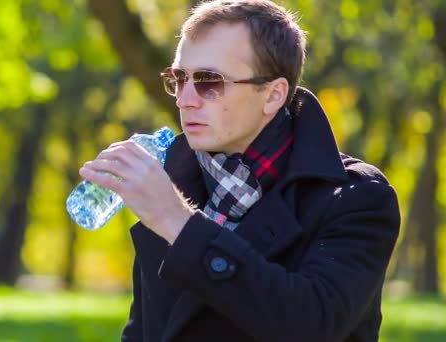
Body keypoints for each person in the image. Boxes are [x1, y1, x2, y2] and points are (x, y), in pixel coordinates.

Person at [79, 0, 401, 341]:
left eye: (208, 81)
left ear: (273, 96)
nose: (184, 99)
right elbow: (145, 332)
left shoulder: (357, 197)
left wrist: (178, 221)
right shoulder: (175, 177)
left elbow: (311, 324)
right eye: (179, 78)